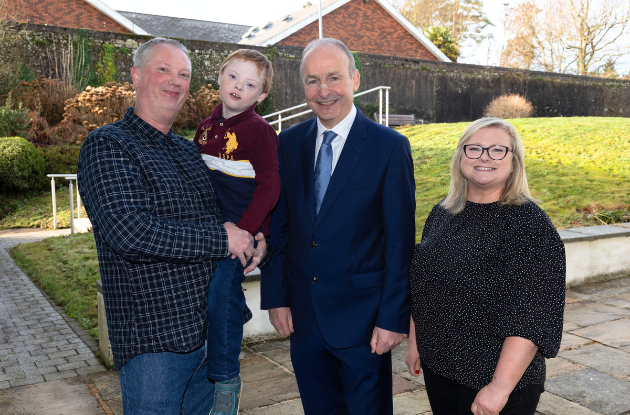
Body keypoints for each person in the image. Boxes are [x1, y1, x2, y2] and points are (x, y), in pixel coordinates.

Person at [77, 37, 268, 414]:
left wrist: (256, 238)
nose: (175, 81)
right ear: (136, 76)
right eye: (163, 69)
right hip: (155, 346)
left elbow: (228, 213)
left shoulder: (190, 149)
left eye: (183, 74)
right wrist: (223, 238)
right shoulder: (109, 145)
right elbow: (130, 232)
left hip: (211, 337)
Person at [260, 38, 416, 415]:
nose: (324, 90)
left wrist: (392, 319)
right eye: (312, 81)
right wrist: (276, 297)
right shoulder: (288, 144)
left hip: (365, 324)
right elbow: (280, 228)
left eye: (333, 77)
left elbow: (399, 243)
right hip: (304, 321)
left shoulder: (389, 147)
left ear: (355, 79)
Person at [405, 117, 565, 415]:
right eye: (475, 148)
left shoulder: (529, 224)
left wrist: (499, 387)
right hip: (440, 369)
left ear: (514, 162)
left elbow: (532, 315)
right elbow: (424, 284)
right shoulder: (443, 212)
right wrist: (415, 343)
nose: (485, 157)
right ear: (460, 156)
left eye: (497, 150)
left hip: (494, 379)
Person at [193, 49, 280, 415]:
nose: (238, 87)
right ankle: (232, 312)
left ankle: (226, 378)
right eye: (233, 77)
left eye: (250, 84)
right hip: (210, 227)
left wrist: (247, 230)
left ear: (261, 95)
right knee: (214, 296)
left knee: (220, 287)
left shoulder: (260, 131)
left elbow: (270, 186)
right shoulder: (205, 127)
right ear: (219, 77)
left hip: (241, 228)